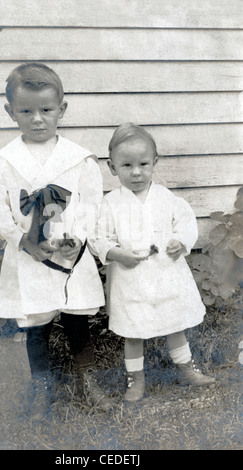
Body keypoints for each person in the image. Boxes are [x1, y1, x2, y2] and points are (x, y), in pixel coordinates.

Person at [0, 63, 112, 420]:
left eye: (46, 110)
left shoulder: (79, 159)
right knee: (36, 322)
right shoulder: (6, 162)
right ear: (11, 113)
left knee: (76, 316)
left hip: (69, 254)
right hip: (30, 254)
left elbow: (91, 203)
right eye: (26, 111)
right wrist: (21, 239)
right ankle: (41, 386)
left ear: (62, 110)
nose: (37, 119)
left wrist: (78, 237)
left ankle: (88, 380)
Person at [93, 123, 216, 402]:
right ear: (112, 168)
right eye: (126, 165)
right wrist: (116, 253)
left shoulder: (166, 198)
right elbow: (99, 238)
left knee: (174, 322)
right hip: (131, 279)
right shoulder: (110, 204)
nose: (136, 172)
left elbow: (185, 223)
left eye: (143, 164)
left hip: (166, 275)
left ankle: (187, 369)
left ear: (154, 163)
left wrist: (180, 242)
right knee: (133, 331)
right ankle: (135, 379)